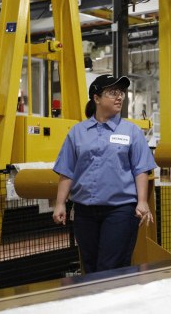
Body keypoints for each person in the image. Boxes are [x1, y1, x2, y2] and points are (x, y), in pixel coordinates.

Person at [52, 74, 157, 273]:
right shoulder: (78, 132)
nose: (119, 97)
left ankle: (116, 304)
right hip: (85, 212)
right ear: (97, 98)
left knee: (110, 268)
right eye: (112, 93)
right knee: (90, 268)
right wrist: (60, 203)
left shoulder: (131, 132)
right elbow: (67, 170)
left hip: (120, 211)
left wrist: (142, 201)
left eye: (121, 93)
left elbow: (141, 169)